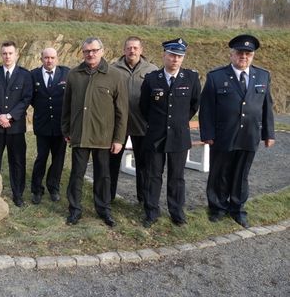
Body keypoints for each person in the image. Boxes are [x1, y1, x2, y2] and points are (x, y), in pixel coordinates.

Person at [199, 34, 275, 228]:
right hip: (223, 134)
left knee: (241, 174)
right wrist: (207, 134)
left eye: (248, 54)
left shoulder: (263, 76)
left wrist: (269, 134)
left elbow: (266, 107)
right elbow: (207, 108)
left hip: (250, 134)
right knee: (219, 173)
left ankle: (237, 209)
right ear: (231, 54)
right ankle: (217, 208)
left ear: (253, 56)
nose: (244, 57)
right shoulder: (216, 77)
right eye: (240, 53)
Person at [61, 37, 128, 227]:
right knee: (76, 175)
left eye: (94, 50)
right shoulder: (74, 74)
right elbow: (66, 106)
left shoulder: (115, 76)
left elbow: (122, 112)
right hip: (80, 135)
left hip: (104, 137)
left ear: (102, 51)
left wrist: (118, 139)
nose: (90, 54)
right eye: (86, 51)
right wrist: (66, 129)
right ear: (82, 53)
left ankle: (104, 210)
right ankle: (74, 210)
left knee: (103, 176)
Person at [139, 38, 201, 228]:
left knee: (177, 176)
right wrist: (158, 123)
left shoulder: (191, 78)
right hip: (156, 135)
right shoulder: (151, 79)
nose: (175, 59)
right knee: (153, 175)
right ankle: (151, 212)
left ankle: (176, 212)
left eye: (179, 56)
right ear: (164, 55)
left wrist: (178, 122)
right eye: (172, 55)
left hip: (179, 136)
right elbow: (143, 107)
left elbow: (194, 105)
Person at [0, 41, 33, 207]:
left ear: (16, 55)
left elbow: (26, 98)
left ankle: (18, 194)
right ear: (1, 55)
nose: (7, 56)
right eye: (4, 53)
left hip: (16, 126)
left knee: (17, 161)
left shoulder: (25, 75)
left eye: (10, 53)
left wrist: (10, 116)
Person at [110, 36, 158, 203]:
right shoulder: (113, 69)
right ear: (124, 50)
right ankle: (108, 197)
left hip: (142, 125)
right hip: (117, 126)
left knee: (144, 165)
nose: (132, 51)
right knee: (112, 164)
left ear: (141, 50)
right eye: (129, 48)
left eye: (135, 48)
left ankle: (143, 199)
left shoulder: (152, 70)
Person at [29, 48, 70, 204]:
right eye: (46, 58)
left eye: (52, 57)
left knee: (58, 159)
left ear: (57, 58)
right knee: (41, 158)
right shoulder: (33, 75)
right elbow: (31, 98)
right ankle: (37, 190)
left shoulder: (66, 73)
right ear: (41, 59)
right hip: (43, 125)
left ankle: (53, 187)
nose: (49, 60)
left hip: (61, 126)